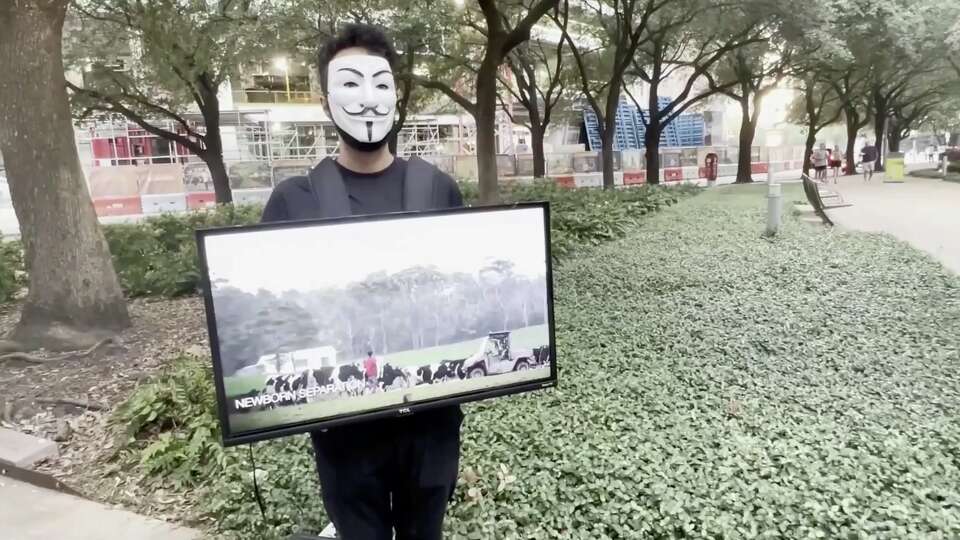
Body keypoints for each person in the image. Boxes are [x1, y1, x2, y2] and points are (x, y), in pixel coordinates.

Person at [260, 23, 464, 540]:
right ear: (326, 101)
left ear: (397, 94)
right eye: (349, 83)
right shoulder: (293, 200)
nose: (367, 99)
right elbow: (275, 315)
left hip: (431, 429)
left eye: (380, 83)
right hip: (345, 437)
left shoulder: (439, 189)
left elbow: (455, 295)